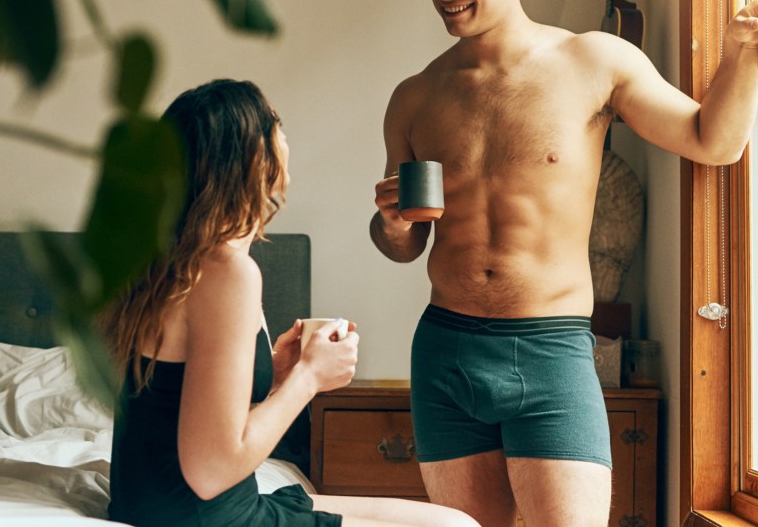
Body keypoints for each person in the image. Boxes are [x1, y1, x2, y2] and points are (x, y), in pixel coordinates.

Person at [369, 0, 758, 527]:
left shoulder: (594, 62)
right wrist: (393, 224)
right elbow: (404, 248)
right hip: (446, 349)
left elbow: (713, 141)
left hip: (549, 349)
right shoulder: (414, 97)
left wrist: (740, 53)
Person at [107, 79, 479, 527]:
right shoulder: (226, 272)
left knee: (449, 520)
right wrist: (308, 377)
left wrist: (277, 377)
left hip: (159, 505)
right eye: (275, 126)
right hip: (206, 516)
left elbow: (182, 410)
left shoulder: (164, 263)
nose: (285, 139)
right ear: (250, 158)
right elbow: (210, 472)